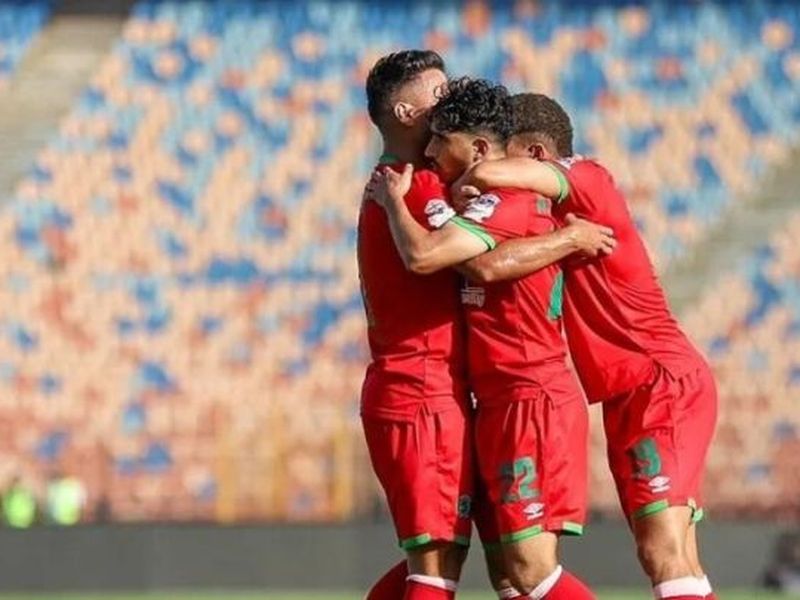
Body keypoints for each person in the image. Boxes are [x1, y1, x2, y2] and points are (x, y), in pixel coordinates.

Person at [360, 54, 612, 600]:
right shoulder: (413, 187)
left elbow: (475, 254)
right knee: (455, 567)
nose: (444, 101)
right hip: (429, 395)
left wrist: (565, 233)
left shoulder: (430, 190)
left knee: (511, 572)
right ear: (405, 112)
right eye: (436, 92)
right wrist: (568, 236)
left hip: (509, 399)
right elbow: (439, 258)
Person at [456, 93, 719, 600]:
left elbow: (489, 175)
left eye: (504, 151)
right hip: (628, 391)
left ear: (535, 155)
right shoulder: (553, 220)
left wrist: (468, 178)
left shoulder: (587, 179)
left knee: (662, 551)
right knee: (675, 556)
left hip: (659, 381)